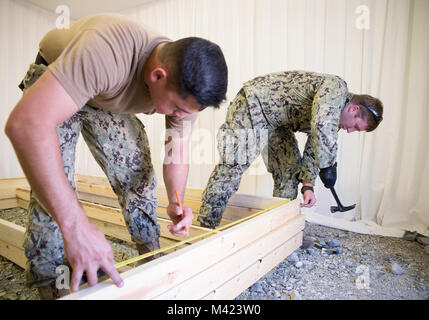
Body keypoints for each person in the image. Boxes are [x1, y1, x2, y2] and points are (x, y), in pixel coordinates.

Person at [5, 13, 228, 299]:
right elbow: (26, 125)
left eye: (187, 112)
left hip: (104, 94)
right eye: (176, 109)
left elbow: (178, 149)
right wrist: (76, 227)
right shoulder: (106, 51)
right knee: (52, 184)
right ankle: (51, 283)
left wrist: (176, 200)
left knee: (138, 173)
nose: (182, 117)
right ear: (157, 76)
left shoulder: (186, 88)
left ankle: (150, 256)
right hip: (57, 76)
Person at [197, 70, 383, 228]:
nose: (350, 131)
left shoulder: (331, 120)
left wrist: (308, 185)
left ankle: (279, 231)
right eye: (356, 127)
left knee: (289, 171)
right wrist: (329, 167)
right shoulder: (336, 89)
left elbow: (315, 144)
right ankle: (206, 228)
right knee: (233, 165)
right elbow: (320, 125)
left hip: (278, 122)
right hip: (254, 106)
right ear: (353, 109)